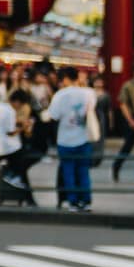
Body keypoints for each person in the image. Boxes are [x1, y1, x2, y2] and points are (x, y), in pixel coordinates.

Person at [47, 67, 95, 212]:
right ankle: (85, 201)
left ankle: (72, 201)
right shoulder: (88, 93)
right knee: (83, 171)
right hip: (83, 138)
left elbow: (53, 116)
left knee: (68, 172)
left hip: (65, 140)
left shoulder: (60, 95)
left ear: (66, 78)